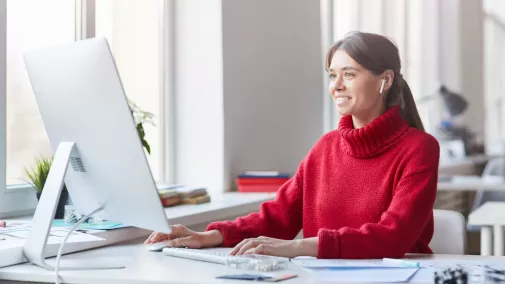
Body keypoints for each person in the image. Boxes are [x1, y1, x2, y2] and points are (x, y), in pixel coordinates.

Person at [145, 31, 440, 259]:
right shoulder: (325, 147)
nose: (336, 85)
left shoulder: (419, 148)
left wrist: (297, 246)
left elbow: (394, 235)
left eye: (349, 74)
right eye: (332, 75)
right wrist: (209, 236)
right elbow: (276, 217)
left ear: (384, 80)